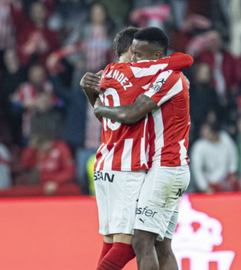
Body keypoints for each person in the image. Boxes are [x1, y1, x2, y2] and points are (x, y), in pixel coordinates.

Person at [92, 27, 193, 270]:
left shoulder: (168, 77)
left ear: (157, 55)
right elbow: (185, 59)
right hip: (170, 167)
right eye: (132, 53)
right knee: (161, 246)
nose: (133, 59)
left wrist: (99, 108)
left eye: (139, 54)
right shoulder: (162, 73)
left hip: (165, 166)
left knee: (140, 242)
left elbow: (132, 113)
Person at [190, 122, 238, 193]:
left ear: (215, 132)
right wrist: (204, 187)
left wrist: (232, 173)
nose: (204, 133)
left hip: (225, 184)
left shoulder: (226, 140)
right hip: (208, 185)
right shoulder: (199, 147)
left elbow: (233, 157)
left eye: (207, 131)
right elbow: (197, 169)